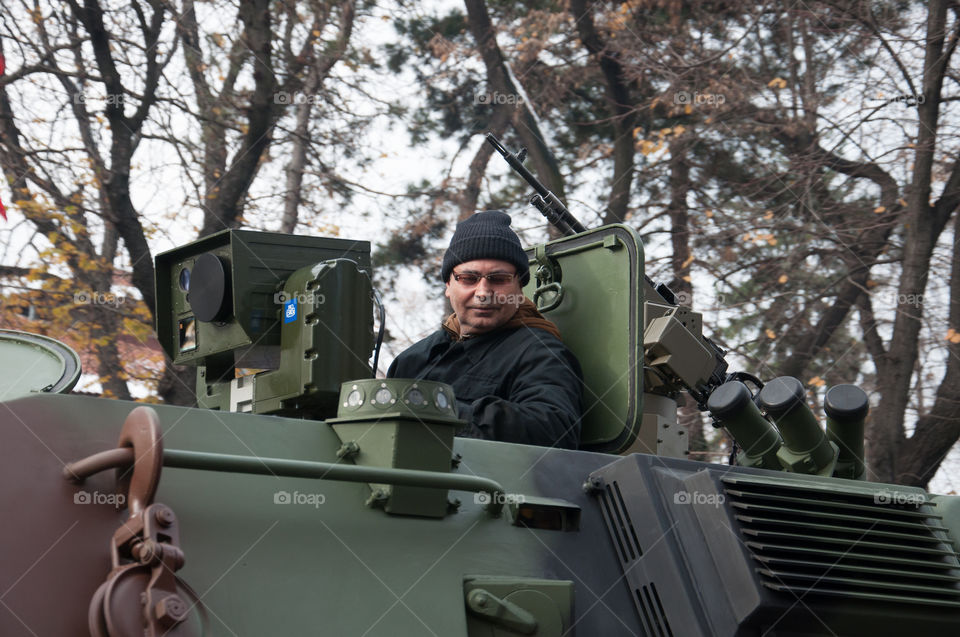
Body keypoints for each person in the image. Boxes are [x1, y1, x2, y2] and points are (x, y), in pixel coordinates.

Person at [387, 210, 582, 449]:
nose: (483, 293)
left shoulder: (540, 353)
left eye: (498, 279)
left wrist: (441, 410)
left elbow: (553, 429)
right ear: (448, 284)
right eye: (468, 278)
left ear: (519, 287)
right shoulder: (413, 359)